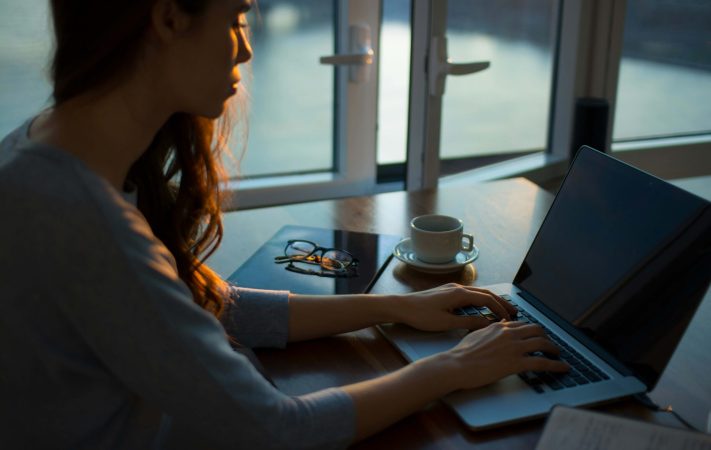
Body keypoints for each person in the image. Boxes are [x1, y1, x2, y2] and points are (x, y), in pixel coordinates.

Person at [0, 0, 568, 448]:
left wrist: (390, 308)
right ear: (169, 17)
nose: (245, 49)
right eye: (237, 16)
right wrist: (452, 368)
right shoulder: (86, 222)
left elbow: (190, 305)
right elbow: (278, 431)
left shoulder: (39, 150)